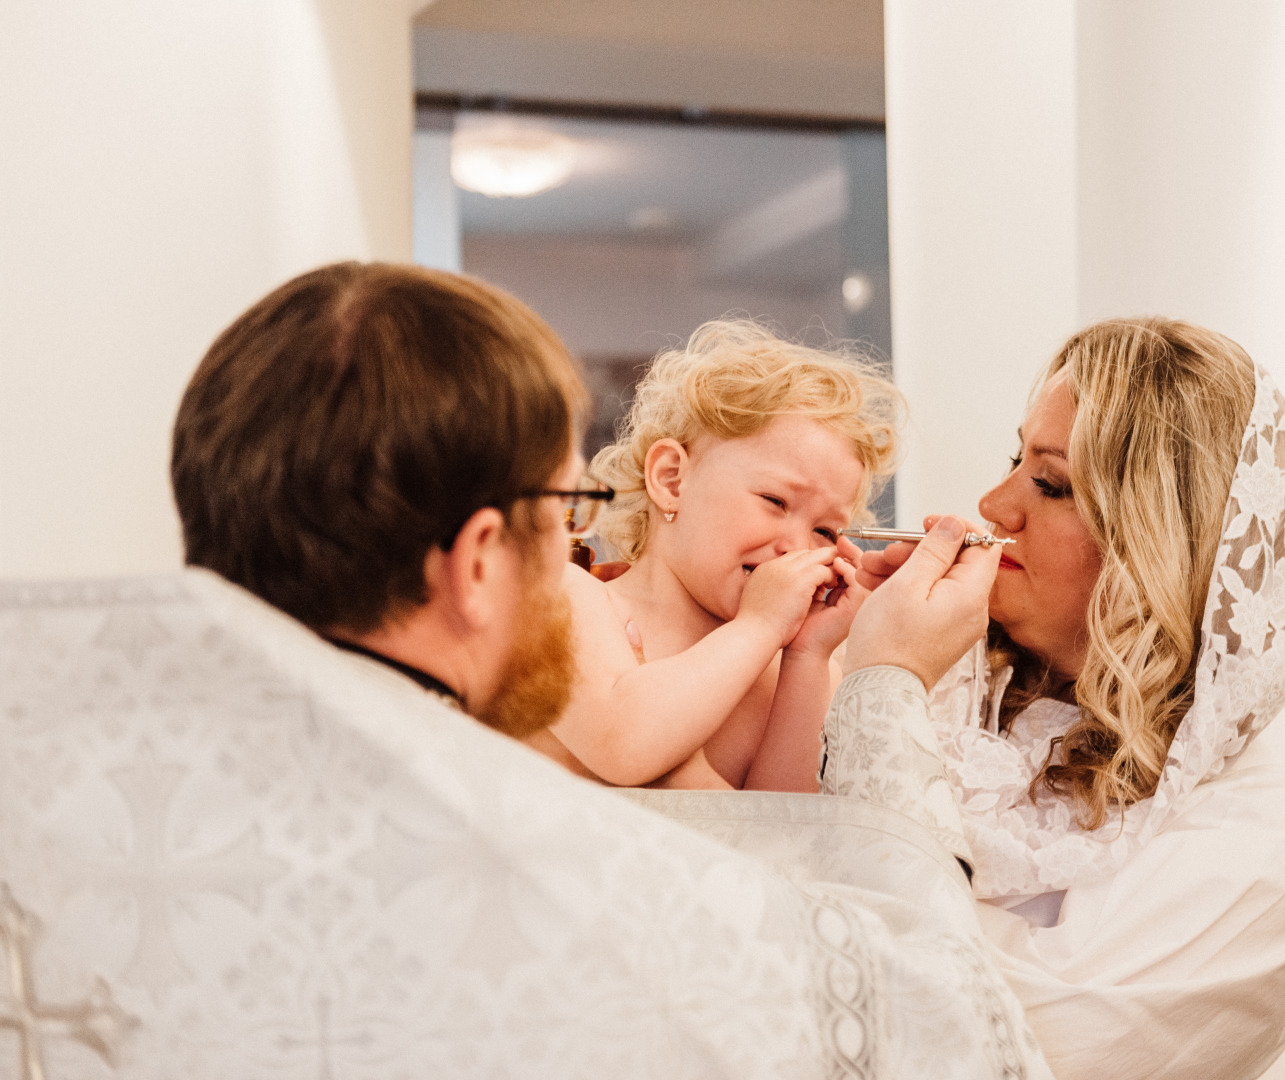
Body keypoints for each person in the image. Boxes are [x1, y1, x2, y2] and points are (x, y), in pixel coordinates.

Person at [132, 260, 1041, 1077]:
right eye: (563, 505)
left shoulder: (154, 823)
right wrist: (892, 681)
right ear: (477, 562)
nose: (577, 545)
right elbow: (928, 1017)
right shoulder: (506, 846)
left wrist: (808, 659)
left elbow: (779, 820)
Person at [833, 318, 1285, 1080]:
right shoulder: (946, 710)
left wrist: (880, 691)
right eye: (1016, 460)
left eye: (1048, 483)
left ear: (1157, 545)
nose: (991, 504)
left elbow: (965, 1042)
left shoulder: (1270, 846)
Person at [533, 322, 898, 792]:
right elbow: (623, 746)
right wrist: (759, 625)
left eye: (825, 530)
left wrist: (807, 656)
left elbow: (789, 838)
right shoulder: (564, 599)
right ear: (671, 481)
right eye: (775, 501)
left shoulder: (793, 676)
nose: (795, 546)